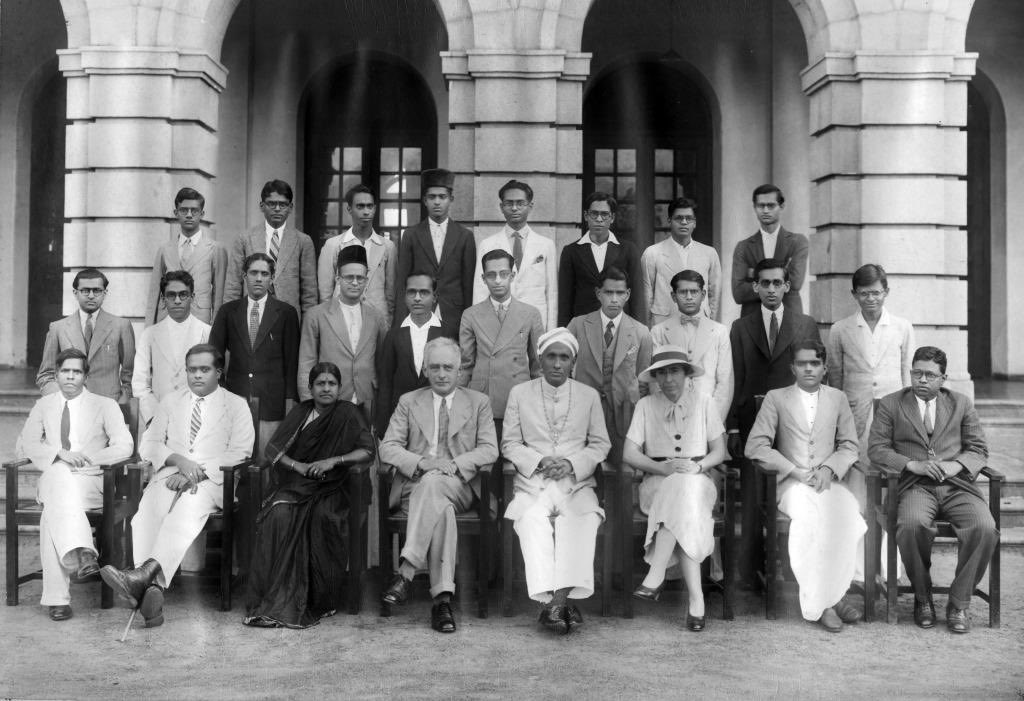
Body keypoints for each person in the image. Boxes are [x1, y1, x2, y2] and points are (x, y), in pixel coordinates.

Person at [100, 344, 254, 628]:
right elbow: (150, 444)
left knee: (185, 512)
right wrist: (180, 461)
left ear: (219, 372)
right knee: (146, 514)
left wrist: (196, 472)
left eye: (204, 369)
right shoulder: (171, 401)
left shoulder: (236, 404)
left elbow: (240, 451)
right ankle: (150, 593)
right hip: (170, 474)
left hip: (213, 480)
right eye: (192, 370)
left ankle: (141, 579)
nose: (197, 375)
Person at [868, 346, 996, 634]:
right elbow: (876, 449)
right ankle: (923, 597)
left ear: (943, 378)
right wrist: (911, 464)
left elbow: (978, 449)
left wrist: (955, 465)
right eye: (917, 373)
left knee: (984, 527)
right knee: (911, 525)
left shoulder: (961, 403)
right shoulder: (891, 404)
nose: (922, 380)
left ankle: (958, 602)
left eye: (929, 375)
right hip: (915, 487)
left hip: (957, 486)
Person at [378, 338, 499, 633]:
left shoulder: (478, 402)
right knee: (440, 507)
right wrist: (424, 463)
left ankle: (406, 571)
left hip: (460, 485)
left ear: (460, 370)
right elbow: (388, 448)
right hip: (415, 486)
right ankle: (442, 602)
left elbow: (489, 449)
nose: (441, 374)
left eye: (448, 367)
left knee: (436, 487)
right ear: (425, 370)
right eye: (435, 367)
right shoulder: (409, 401)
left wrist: (455, 465)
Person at [243, 362, 375, 629]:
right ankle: (273, 596)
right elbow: (273, 450)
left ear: (339, 387)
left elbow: (367, 451)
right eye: (320, 384)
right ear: (310, 388)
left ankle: (320, 599)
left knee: (321, 517)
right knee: (278, 514)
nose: (326, 388)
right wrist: (299, 466)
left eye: (331, 384)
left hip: (335, 486)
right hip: (298, 484)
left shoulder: (348, 413)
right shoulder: (301, 412)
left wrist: (333, 461)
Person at [745, 340, 865, 632]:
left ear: (825, 368)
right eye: (802, 363)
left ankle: (834, 594)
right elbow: (756, 446)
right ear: (792, 368)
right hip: (792, 485)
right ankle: (824, 604)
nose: (808, 369)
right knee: (810, 521)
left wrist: (828, 468)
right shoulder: (776, 398)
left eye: (814, 363)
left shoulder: (837, 398)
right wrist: (795, 471)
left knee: (847, 516)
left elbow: (850, 446)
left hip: (827, 483)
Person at [502, 328, 611, 634]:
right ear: (540, 359)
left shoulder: (589, 395)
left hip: (575, 484)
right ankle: (558, 604)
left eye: (564, 357)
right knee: (531, 521)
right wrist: (539, 461)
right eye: (551, 356)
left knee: (583, 520)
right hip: (533, 484)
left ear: (573, 361)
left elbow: (600, 444)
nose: (557, 363)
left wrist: (571, 464)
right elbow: (509, 443)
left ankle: (556, 603)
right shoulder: (519, 393)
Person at [18, 349, 133, 621]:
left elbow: (125, 445)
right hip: (56, 479)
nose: (70, 377)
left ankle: (58, 600)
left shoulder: (105, 405)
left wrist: (84, 459)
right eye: (65, 371)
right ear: (56, 375)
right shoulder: (43, 405)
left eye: (77, 372)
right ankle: (84, 553)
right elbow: (27, 443)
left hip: (91, 482)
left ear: (86, 376)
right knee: (59, 473)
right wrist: (60, 455)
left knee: (51, 513)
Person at [727, 257, 821, 585]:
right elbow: (735, 378)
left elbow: (816, 375)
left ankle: (794, 570)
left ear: (787, 286)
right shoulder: (741, 327)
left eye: (777, 283)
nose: (771, 289)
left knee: (793, 491)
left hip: (795, 424)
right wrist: (733, 425)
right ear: (755, 287)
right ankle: (751, 571)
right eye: (764, 283)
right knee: (753, 495)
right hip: (753, 424)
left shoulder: (805, 324)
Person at [624, 346, 727, 632]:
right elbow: (629, 453)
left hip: (698, 480)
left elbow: (719, 451)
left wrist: (697, 466)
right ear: (655, 377)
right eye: (662, 373)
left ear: (686, 373)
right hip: (657, 483)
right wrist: (663, 469)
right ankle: (696, 600)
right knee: (682, 506)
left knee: (683, 491)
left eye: (674, 371)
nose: (668, 379)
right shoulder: (646, 405)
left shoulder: (705, 402)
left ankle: (655, 573)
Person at [827, 263, 915, 508]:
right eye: (864, 293)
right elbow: (835, 375)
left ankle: (887, 516)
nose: (870, 299)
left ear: (886, 292)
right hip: (856, 409)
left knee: (890, 461)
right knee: (857, 461)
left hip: (892, 409)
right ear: (854, 294)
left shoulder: (902, 327)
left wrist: (908, 411)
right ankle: (857, 515)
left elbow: (907, 372)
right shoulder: (840, 329)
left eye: (876, 292)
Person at [210, 253, 300, 454]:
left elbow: (292, 363)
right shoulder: (228, 311)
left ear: (272, 278)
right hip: (235, 399)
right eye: (253, 273)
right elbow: (214, 357)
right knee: (235, 459)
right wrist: (221, 393)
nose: (259, 278)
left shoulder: (286, 313)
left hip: (272, 405)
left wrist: (289, 406)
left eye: (264, 274)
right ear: (244, 276)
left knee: (266, 460)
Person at [566, 266, 652, 465]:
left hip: (623, 416)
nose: (614, 299)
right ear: (598, 293)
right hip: (583, 414)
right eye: (608, 292)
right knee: (584, 467)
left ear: (627, 295)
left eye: (620, 293)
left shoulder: (641, 333)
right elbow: (564, 369)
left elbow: (643, 381)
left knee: (621, 470)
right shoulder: (578, 325)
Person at [459, 249, 543, 439]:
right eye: (491, 275)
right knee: (487, 454)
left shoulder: (531, 314)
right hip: (483, 398)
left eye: (503, 274)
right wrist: (457, 402)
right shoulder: (470, 315)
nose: (497, 280)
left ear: (512, 276)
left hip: (519, 398)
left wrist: (539, 402)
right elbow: (465, 365)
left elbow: (538, 365)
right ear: (483, 278)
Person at [298, 245, 387, 421]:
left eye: (360, 278)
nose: (355, 282)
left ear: (366, 280)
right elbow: (306, 364)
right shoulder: (317, 315)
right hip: (328, 403)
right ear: (338, 278)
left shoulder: (376, 317)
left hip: (366, 401)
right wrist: (309, 406)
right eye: (349, 277)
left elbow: (381, 361)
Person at [376, 272, 459, 436]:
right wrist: (383, 427)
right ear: (405, 296)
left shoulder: (448, 332)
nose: (417, 298)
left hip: (439, 418)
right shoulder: (394, 335)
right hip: (401, 419)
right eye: (412, 292)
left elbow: (455, 378)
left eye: (424, 292)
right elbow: (385, 382)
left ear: (434, 297)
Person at [37, 268, 135, 403]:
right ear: (75, 293)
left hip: (108, 404)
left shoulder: (121, 326)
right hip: (70, 405)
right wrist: (61, 398)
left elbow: (130, 372)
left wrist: (123, 399)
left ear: (105, 293)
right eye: (85, 290)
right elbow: (45, 375)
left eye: (97, 290)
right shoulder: (58, 328)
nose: (91, 295)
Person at [394, 168, 476, 328]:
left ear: (451, 199)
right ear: (425, 200)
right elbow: (402, 282)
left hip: (454, 314)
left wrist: (468, 324)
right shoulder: (411, 235)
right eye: (432, 197)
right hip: (419, 313)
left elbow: (468, 284)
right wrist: (400, 324)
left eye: (442, 197)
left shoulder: (465, 236)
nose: (437, 202)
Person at [225, 179, 318, 316]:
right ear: (262, 206)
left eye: (283, 204)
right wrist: (230, 319)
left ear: (290, 207)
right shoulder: (245, 238)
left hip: (288, 317)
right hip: (251, 314)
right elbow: (233, 285)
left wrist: (307, 325)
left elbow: (309, 292)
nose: (277, 209)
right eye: (271, 204)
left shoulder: (303, 241)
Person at [651, 270, 733, 422]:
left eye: (694, 292)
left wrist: (713, 421)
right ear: (673, 296)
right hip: (670, 414)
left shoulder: (719, 331)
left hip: (707, 413)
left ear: (703, 295)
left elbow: (724, 382)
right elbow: (656, 381)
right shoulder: (659, 331)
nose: (689, 297)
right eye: (683, 292)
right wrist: (668, 417)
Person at [474, 180, 557, 330]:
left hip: (535, 323)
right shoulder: (487, 245)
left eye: (520, 203)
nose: (514, 208)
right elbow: (480, 291)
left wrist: (550, 332)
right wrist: (481, 329)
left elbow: (552, 294)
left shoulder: (546, 245)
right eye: (509, 203)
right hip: (499, 323)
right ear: (501, 207)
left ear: (530, 206)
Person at [133, 270, 211, 426]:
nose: (177, 300)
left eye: (183, 295)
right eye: (171, 295)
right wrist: (154, 418)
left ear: (192, 297)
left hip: (197, 422)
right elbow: (140, 383)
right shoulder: (149, 335)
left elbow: (214, 380)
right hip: (158, 420)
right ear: (163, 299)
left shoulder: (207, 333)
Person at [557, 192, 644, 326]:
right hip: (583, 326)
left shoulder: (628, 250)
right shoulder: (571, 251)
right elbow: (565, 300)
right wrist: (564, 332)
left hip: (619, 324)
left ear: (612, 217)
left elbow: (637, 297)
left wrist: (638, 329)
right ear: (586, 216)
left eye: (604, 214)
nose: (599, 219)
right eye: (594, 214)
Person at [145, 187, 228, 325]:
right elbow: (154, 292)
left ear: (202, 214)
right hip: (167, 319)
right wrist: (149, 327)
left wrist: (217, 328)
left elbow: (219, 294)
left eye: (194, 210)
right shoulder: (165, 249)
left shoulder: (215, 249)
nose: (189, 215)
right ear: (176, 213)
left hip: (199, 319)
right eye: (184, 210)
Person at [316, 184, 396, 327]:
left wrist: (387, 321)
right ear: (349, 209)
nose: (366, 212)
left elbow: (391, 293)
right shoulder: (333, 245)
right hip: (341, 320)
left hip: (377, 320)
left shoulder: (387, 247)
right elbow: (325, 292)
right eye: (360, 206)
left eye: (369, 206)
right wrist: (330, 322)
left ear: (375, 208)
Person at [731, 184, 809, 317]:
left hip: (789, 317)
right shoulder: (743, 247)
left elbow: (795, 282)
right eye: (761, 206)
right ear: (754, 208)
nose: (765, 210)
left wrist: (755, 275)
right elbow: (738, 293)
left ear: (781, 206)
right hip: (753, 320)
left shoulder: (797, 242)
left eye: (771, 205)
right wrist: (781, 276)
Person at [641, 197, 722, 323]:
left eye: (688, 218)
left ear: (694, 223)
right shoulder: (652, 253)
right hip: (664, 323)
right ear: (669, 221)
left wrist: (711, 324)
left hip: (700, 323)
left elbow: (714, 295)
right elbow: (647, 295)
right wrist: (648, 328)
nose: (684, 222)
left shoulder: (709, 253)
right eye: (678, 218)